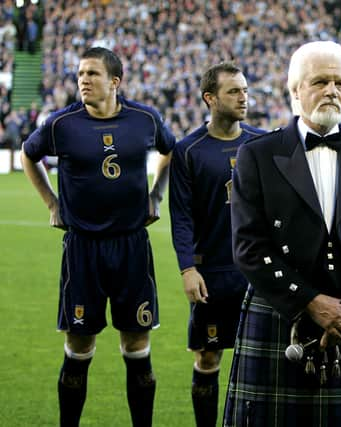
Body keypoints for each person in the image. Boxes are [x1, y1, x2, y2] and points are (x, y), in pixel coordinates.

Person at [223, 40, 341, 426]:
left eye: (340, 83)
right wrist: (309, 302)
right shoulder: (257, 154)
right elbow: (248, 245)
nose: (331, 91)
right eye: (320, 81)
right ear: (295, 90)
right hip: (280, 316)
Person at [21, 46, 175, 427]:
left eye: (91, 74)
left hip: (131, 246)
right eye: (79, 74)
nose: (83, 81)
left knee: (137, 344)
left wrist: (156, 194)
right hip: (82, 249)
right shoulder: (62, 123)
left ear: (115, 81)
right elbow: (28, 155)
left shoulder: (145, 118)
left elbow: (171, 151)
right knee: (78, 345)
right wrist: (52, 204)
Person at [169, 62, 266, 427]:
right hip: (211, 272)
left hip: (258, 273)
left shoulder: (261, 143)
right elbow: (181, 216)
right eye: (234, 92)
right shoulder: (189, 150)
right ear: (210, 98)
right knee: (208, 359)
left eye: (245, 90)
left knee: (258, 360)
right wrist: (187, 268)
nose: (244, 97)